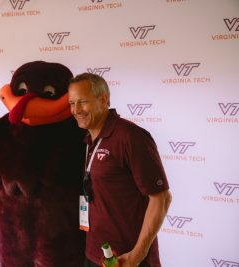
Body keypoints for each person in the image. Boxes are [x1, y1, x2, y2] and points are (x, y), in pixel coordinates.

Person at [68, 73, 172, 267]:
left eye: (82, 102)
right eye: (72, 103)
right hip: (95, 255)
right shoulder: (88, 140)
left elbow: (162, 199)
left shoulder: (130, 137)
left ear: (103, 99)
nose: (76, 110)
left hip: (129, 259)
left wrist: (137, 255)